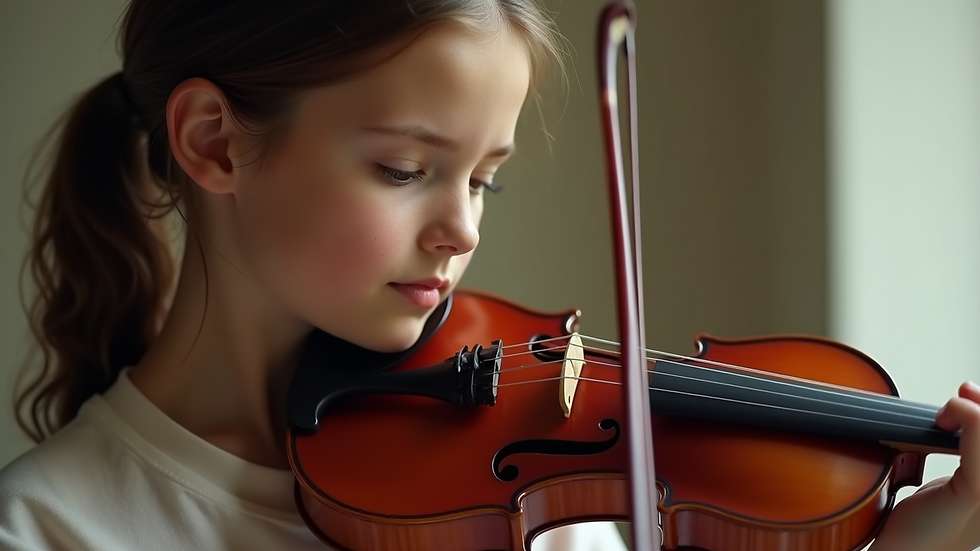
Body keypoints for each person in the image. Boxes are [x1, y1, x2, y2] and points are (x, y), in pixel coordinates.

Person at [0, 1, 977, 550]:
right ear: (214, 142)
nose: (460, 229)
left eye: (483, 181)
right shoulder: (49, 528)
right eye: (403, 169)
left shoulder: (516, 477)